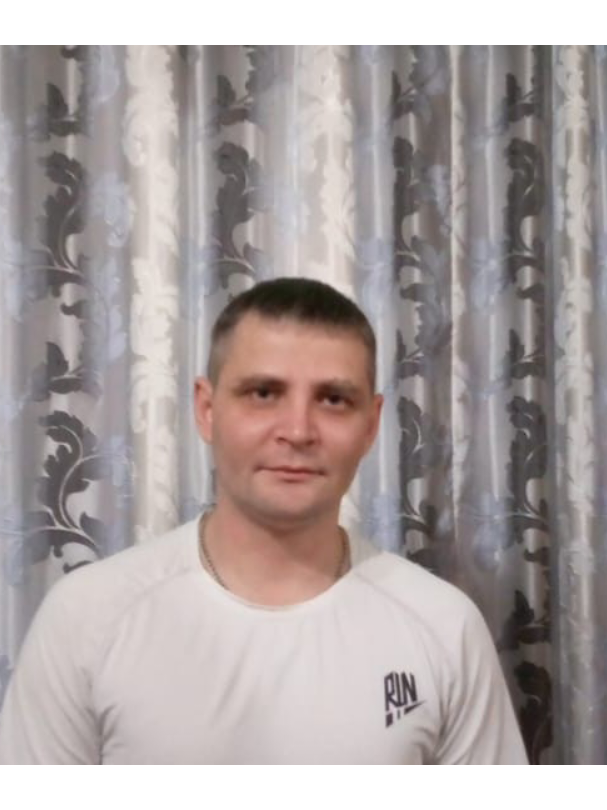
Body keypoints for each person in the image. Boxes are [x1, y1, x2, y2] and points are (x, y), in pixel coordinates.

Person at [0, 278, 528, 765]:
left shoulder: (443, 627)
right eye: (263, 393)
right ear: (207, 409)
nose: (297, 431)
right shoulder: (87, 619)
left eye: (333, 399)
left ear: (371, 425)